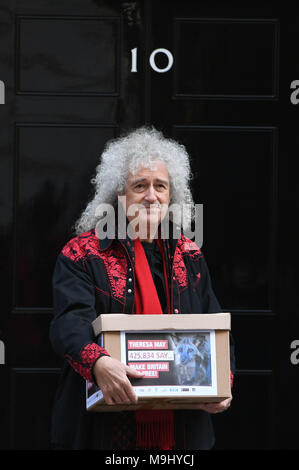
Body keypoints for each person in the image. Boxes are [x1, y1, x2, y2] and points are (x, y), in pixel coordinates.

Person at [50, 126, 235, 450]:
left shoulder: (190, 255)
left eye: (160, 186)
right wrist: (97, 363)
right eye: (140, 186)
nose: (151, 196)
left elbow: (215, 323)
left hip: (183, 428)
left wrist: (224, 380)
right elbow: (69, 321)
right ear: (120, 195)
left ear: (170, 195)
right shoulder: (81, 252)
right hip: (103, 428)